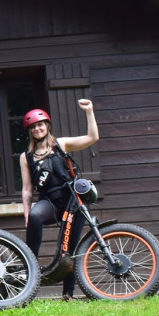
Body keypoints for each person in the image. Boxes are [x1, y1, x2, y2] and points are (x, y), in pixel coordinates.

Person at [19, 100, 99, 301]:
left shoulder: (60, 144)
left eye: (40, 124)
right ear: (30, 131)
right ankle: (31, 263)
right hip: (50, 201)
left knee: (69, 248)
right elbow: (27, 189)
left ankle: (68, 294)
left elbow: (92, 137)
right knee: (36, 216)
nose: (37, 129)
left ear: (47, 126)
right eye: (33, 127)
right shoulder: (26, 157)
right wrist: (27, 214)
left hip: (73, 200)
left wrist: (89, 112)